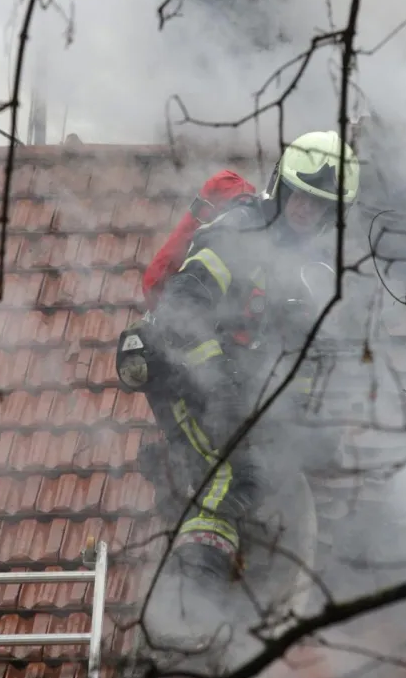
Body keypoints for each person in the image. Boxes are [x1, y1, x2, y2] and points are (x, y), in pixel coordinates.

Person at [116, 131, 360, 603]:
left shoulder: (313, 271)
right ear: (281, 187)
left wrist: (299, 419)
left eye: (319, 204)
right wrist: (218, 378)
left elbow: (310, 355)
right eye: (300, 196)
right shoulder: (240, 231)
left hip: (237, 380)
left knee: (262, 463)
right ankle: (192, 587)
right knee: (235, 471)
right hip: (179, 365)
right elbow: (183, 306)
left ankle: (215, 550)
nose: (306, 209)